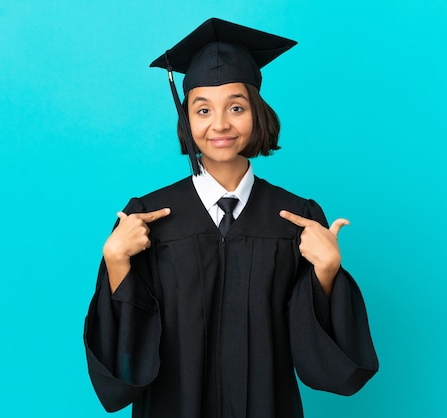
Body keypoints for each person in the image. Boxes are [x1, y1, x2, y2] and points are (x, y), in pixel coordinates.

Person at [84, 18, 378, 418]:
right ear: (186, 118)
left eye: (236, 107)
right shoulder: (146, 218)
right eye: (202, 109)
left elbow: (319, 359)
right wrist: (117, 262)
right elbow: (124, 357)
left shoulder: (295, 218)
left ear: (257, 113)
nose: (220, 124)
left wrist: (326, 273)